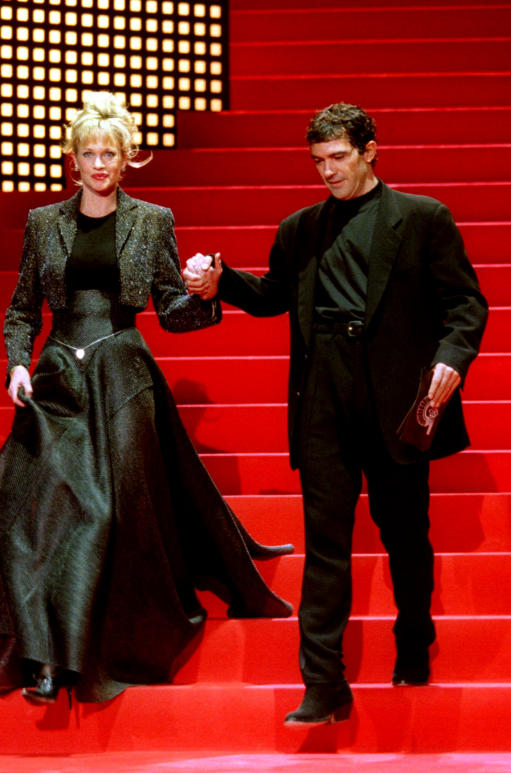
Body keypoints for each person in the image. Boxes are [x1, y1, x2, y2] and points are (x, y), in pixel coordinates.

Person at [0, 92, 293, 707]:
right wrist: (14, 368)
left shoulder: (152, 220)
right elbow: (22, 310)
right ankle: (46, 660)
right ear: (72, 159)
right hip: (57, 377)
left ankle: (92, 649)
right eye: (89, 152)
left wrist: (206, 289)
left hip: (123, 374)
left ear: (128, 157)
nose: (100, 162)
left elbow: (173, 312)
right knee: (44, 517)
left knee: (106, 514)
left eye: (110, 152)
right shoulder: (42, 223)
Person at [184, 102, 488, 726]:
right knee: (327, 544)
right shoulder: (301, 228)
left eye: (339, 158)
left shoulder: (423, 218)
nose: (328, 172)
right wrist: (223, 282)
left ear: (370, 151)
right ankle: (323, 684)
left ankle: (413, 637)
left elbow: (465, 304)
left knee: (404, 533)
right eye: (319, 162)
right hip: (323, 397)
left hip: (395, 401)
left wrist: (451, 360)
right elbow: (273, 295)